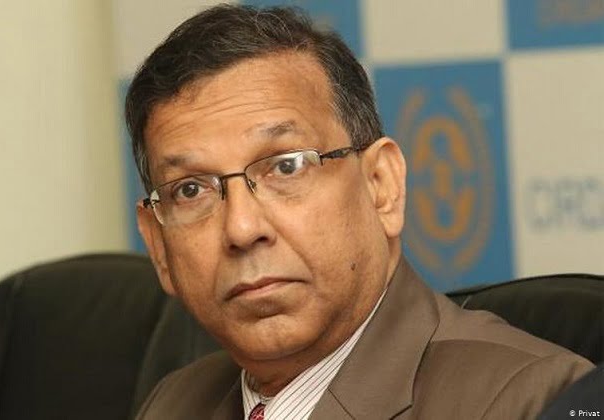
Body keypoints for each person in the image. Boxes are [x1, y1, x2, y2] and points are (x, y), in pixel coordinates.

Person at [125, 5, 593, 419]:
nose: (242, 228)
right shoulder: (173, 403)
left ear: (381, 186)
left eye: (286, 166)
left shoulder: (538, 398)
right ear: (158, 247)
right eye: (190, 190)